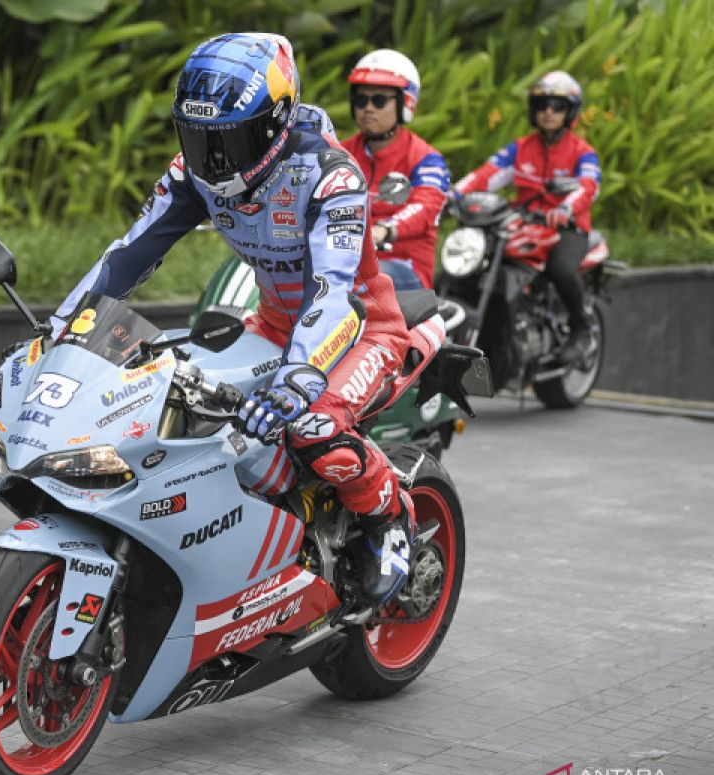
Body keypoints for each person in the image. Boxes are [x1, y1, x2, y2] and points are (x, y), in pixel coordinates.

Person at [50, 33, 417, 605]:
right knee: (182, 405)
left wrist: (300, 379)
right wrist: (63, 326)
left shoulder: (332, 177)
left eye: (230, 139)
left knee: (313, 429)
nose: (212, 159)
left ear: (275, 122)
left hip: (361, 328)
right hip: (273, 324)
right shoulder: (192, 172)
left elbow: (334, 294)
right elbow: (129, 255)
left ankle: (389, 516)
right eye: (198, 138)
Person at [453, 70, 601, 364]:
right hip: (524, 223)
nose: (548, 112)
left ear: (570, 112)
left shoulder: (583, 152)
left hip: (568, 228)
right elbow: (487, 174)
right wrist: (451, 195)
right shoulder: (520, 148)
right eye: (542, 105)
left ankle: (582, 329)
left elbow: (588, 186)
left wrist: (566, 210)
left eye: (557, 106)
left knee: (560, 269)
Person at [341, 49, 450, 291]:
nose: (368, 108)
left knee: (353, 283)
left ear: (405, 103)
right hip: (342, 260)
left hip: (403, 265)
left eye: (379, 100)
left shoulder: (426, 159)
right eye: (361, 100)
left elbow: (425, 206)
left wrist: (384, 229)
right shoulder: (339, 153)